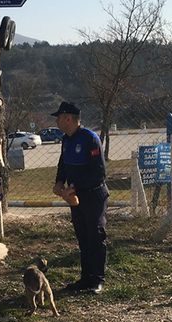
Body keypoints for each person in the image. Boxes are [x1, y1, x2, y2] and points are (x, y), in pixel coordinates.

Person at [50, 101, 109, 295]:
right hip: (75, 197)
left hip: (93, 195)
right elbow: (63, 164)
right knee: (83, 237)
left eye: (59, 118)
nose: (57, 121)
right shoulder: (66, 139)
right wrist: (60, 182)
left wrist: (74, 187)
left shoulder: (90, 139)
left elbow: (98, 173)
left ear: (69, 118)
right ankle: (86, 278)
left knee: (95, 236)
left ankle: (98, 279)